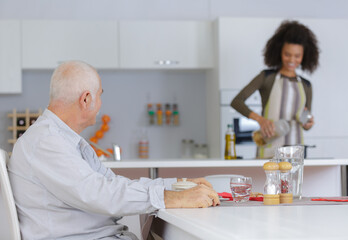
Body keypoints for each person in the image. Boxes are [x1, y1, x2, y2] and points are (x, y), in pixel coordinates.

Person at [8, 61, 220, 240]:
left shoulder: (61, 139)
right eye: (100, 95)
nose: (101, 104)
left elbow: (111, 184)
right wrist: (172, 198)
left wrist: (177, 187)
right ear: (86, 99)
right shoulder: (46, 141)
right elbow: (100, 194)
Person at [231, 20, 319, 158]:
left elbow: (305, 122)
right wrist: (261, 120)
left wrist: (308, 124)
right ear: (279, 52)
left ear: (304, 56)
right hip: (268, 150)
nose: (292, 60)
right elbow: (237, 101)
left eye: (297, 56)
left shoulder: (306, 85)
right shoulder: (267, 77)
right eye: (287, 54)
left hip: (295, 154)